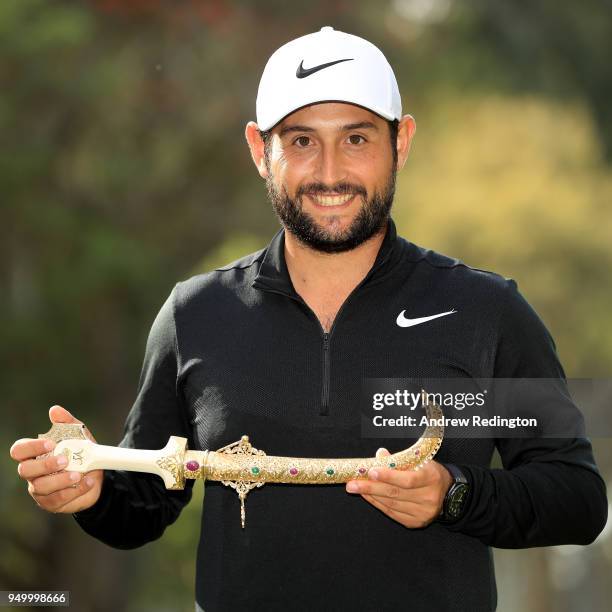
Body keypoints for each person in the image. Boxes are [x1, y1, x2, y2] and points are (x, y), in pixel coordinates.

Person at [9, 26, 608, 612]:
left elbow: (577, 499)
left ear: (400, 143)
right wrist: (90, 492)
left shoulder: (486, 312)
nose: (328, 172)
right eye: (300, 141)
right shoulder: (196, 314)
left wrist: (454, 496)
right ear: (258, 151)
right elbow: (140, 508)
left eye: (356, 139)